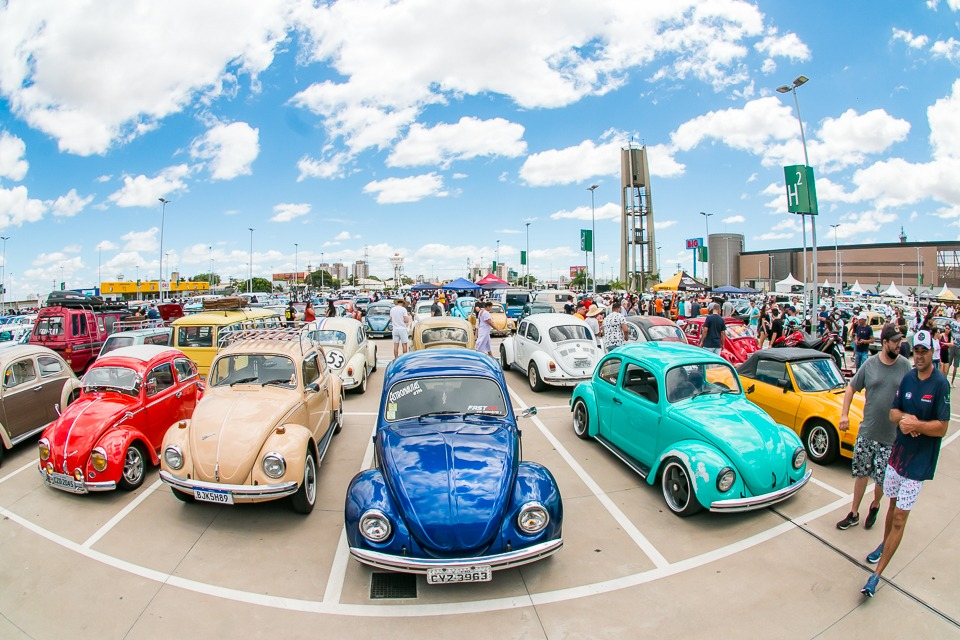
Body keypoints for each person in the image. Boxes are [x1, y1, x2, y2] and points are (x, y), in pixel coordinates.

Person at [860, 329, 950, 597]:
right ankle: (884, 544)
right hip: (898, 455)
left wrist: (918, 425)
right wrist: (904, 420)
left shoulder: (940, 384)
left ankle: (876, 577)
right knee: (891, 506)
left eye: (924, 351)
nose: (919, 356)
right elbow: (892, 412)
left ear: (932, 353)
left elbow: (943, 427)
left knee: (900, 517)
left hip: (919, 463)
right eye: (917, 351)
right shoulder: (908, 378)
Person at [836, 325, 912, 532]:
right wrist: (844, 414)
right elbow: (851, 387)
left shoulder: (905, 366)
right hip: (867, 431)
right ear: (885, 343)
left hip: (890, 437)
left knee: (881, 479)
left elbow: (912, 394)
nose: (899, 345)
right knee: (861, 473)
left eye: (900, 341)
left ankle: (875, 505)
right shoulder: (870, 364)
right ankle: (853, 513)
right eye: (895, 341)